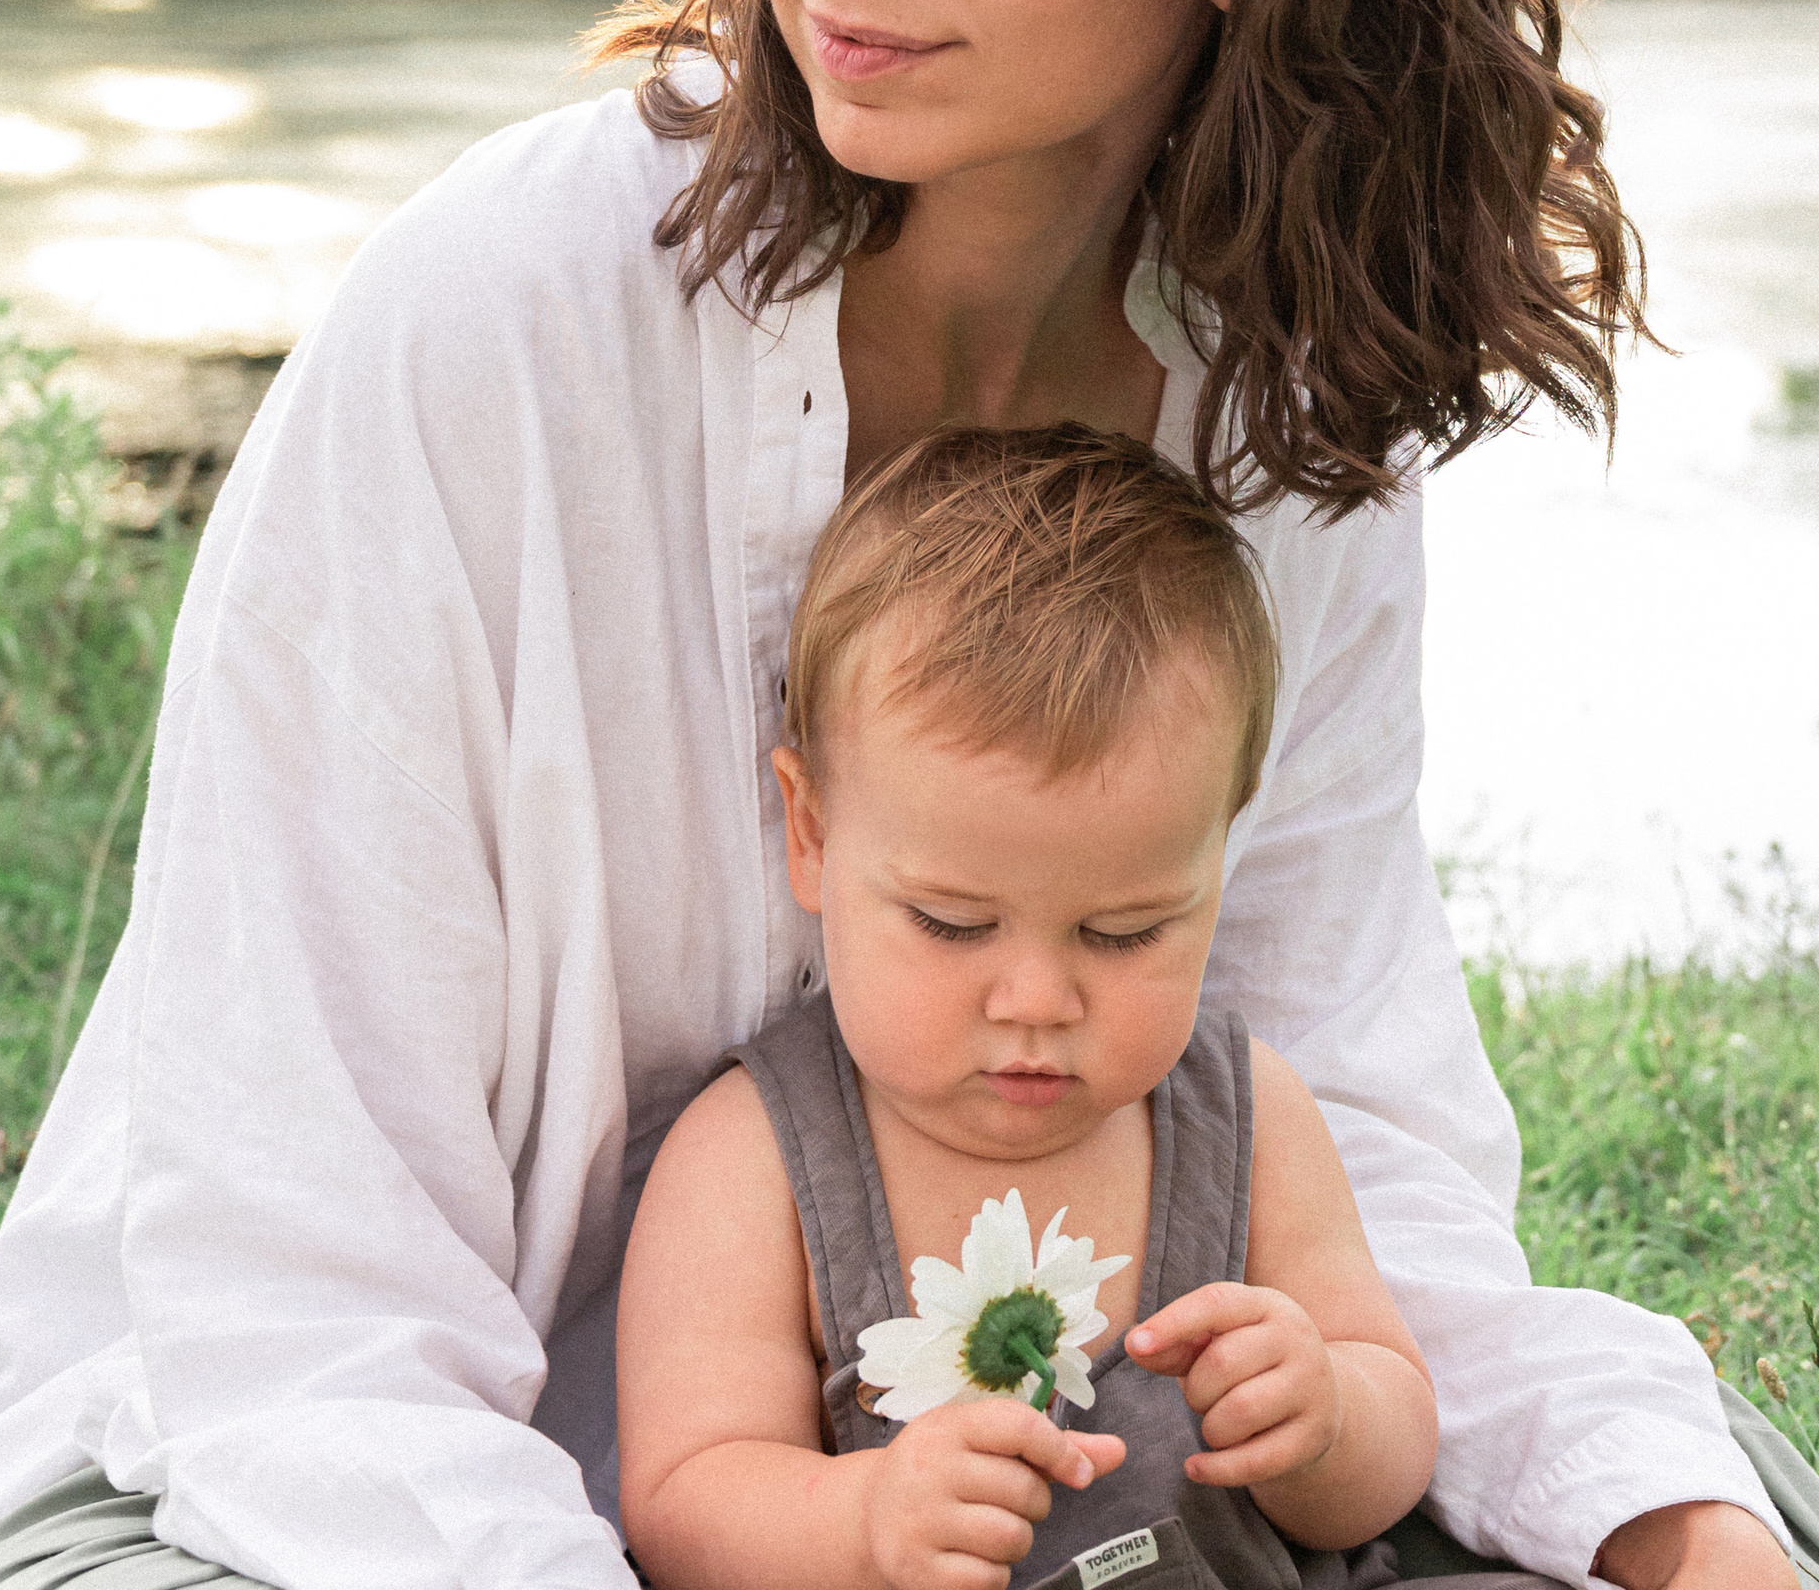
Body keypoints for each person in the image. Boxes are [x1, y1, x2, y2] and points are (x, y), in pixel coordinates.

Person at [0, 0, 1819, 1590]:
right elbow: (292, 1289)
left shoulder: (1282, 404)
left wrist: (1666, 1524)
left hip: (1043, 1509)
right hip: (311, 1489)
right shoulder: (492, 324)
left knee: (1703, 1490)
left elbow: (1341, 1127)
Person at [620, 423, 1557, 1590]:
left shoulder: (1241, 1114)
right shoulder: (755, 1155)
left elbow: (1387, 1452)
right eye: (953, 923)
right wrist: (863, 1516)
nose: (1035, 1000)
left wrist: (1322, 1411)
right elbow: (684, 1493)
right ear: (811, 834)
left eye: (1124, 932)